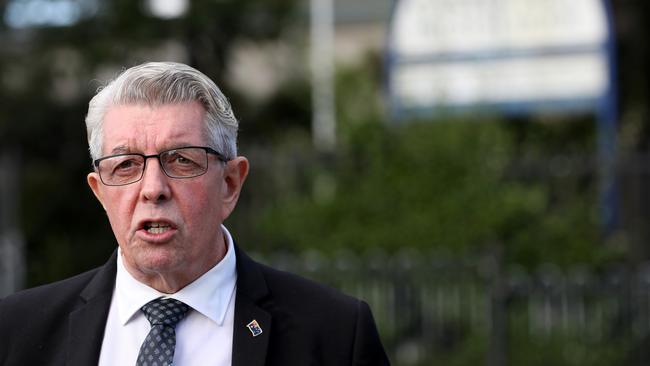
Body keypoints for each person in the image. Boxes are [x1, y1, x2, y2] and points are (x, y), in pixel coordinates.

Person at [0, 62, 390, 366]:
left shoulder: (334, 334)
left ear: (230, 184)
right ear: (99, 192)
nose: (153, 188)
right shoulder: (17, 332)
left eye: (182, 160)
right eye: (125, 165)